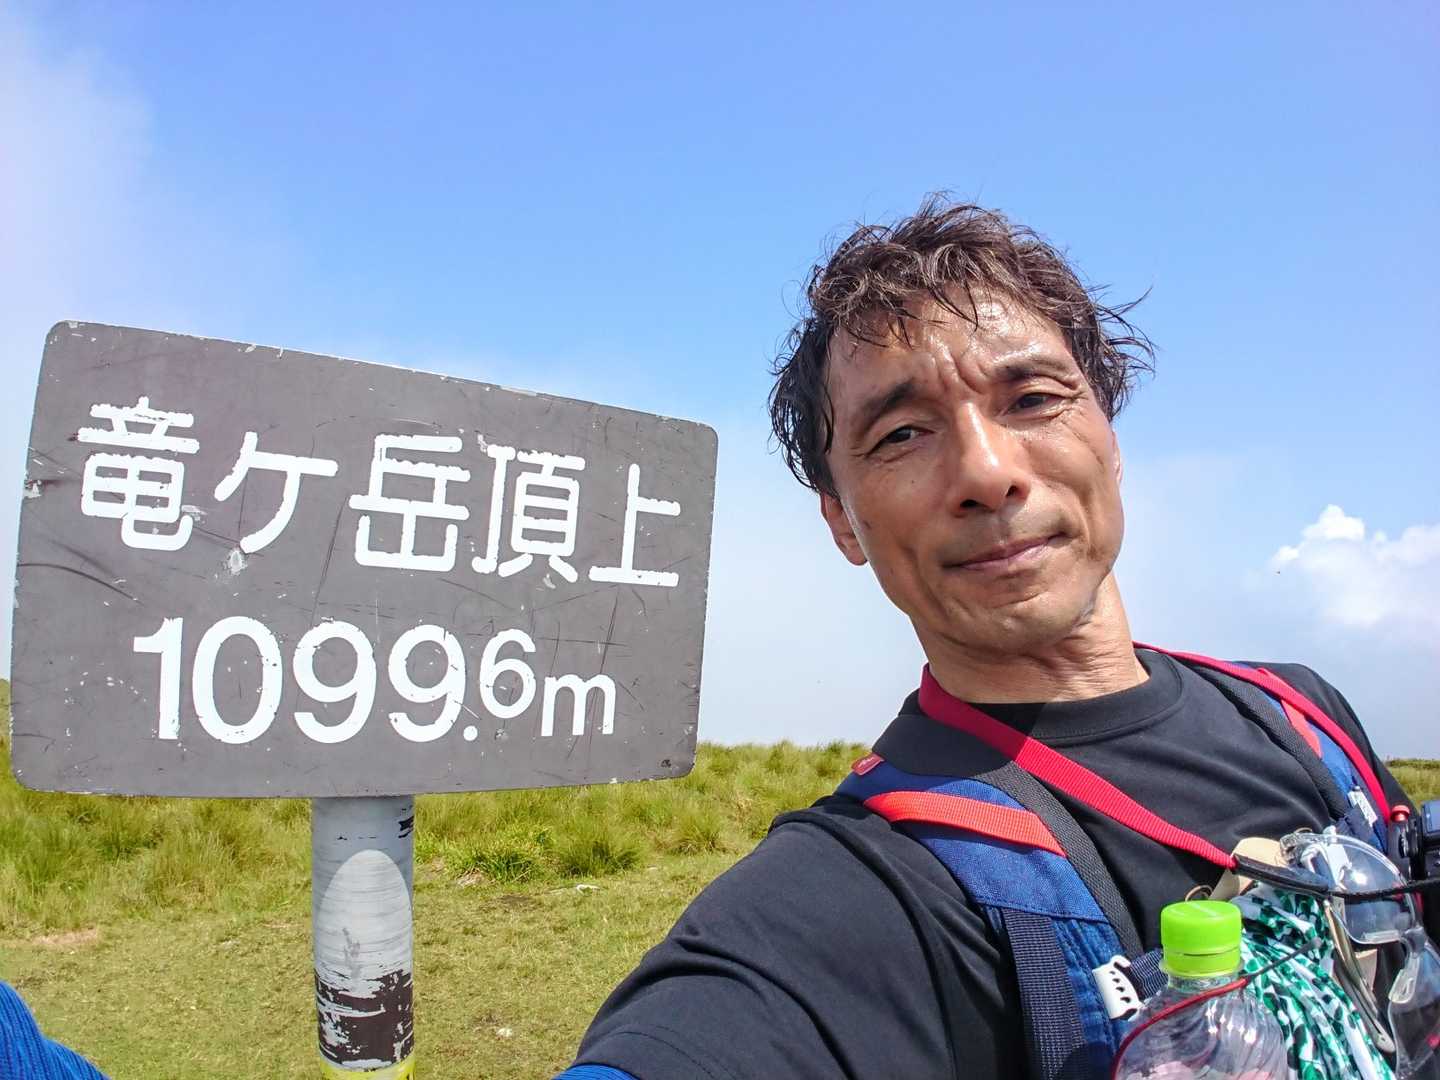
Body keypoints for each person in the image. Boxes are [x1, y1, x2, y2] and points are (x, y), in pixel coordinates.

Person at [556, 196, 1438, 1079]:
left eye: (1033, 398)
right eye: (902, 433)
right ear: (843, 522)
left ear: (1110, 441)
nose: (986, 471)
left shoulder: (1304, 714)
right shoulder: (868, 885)